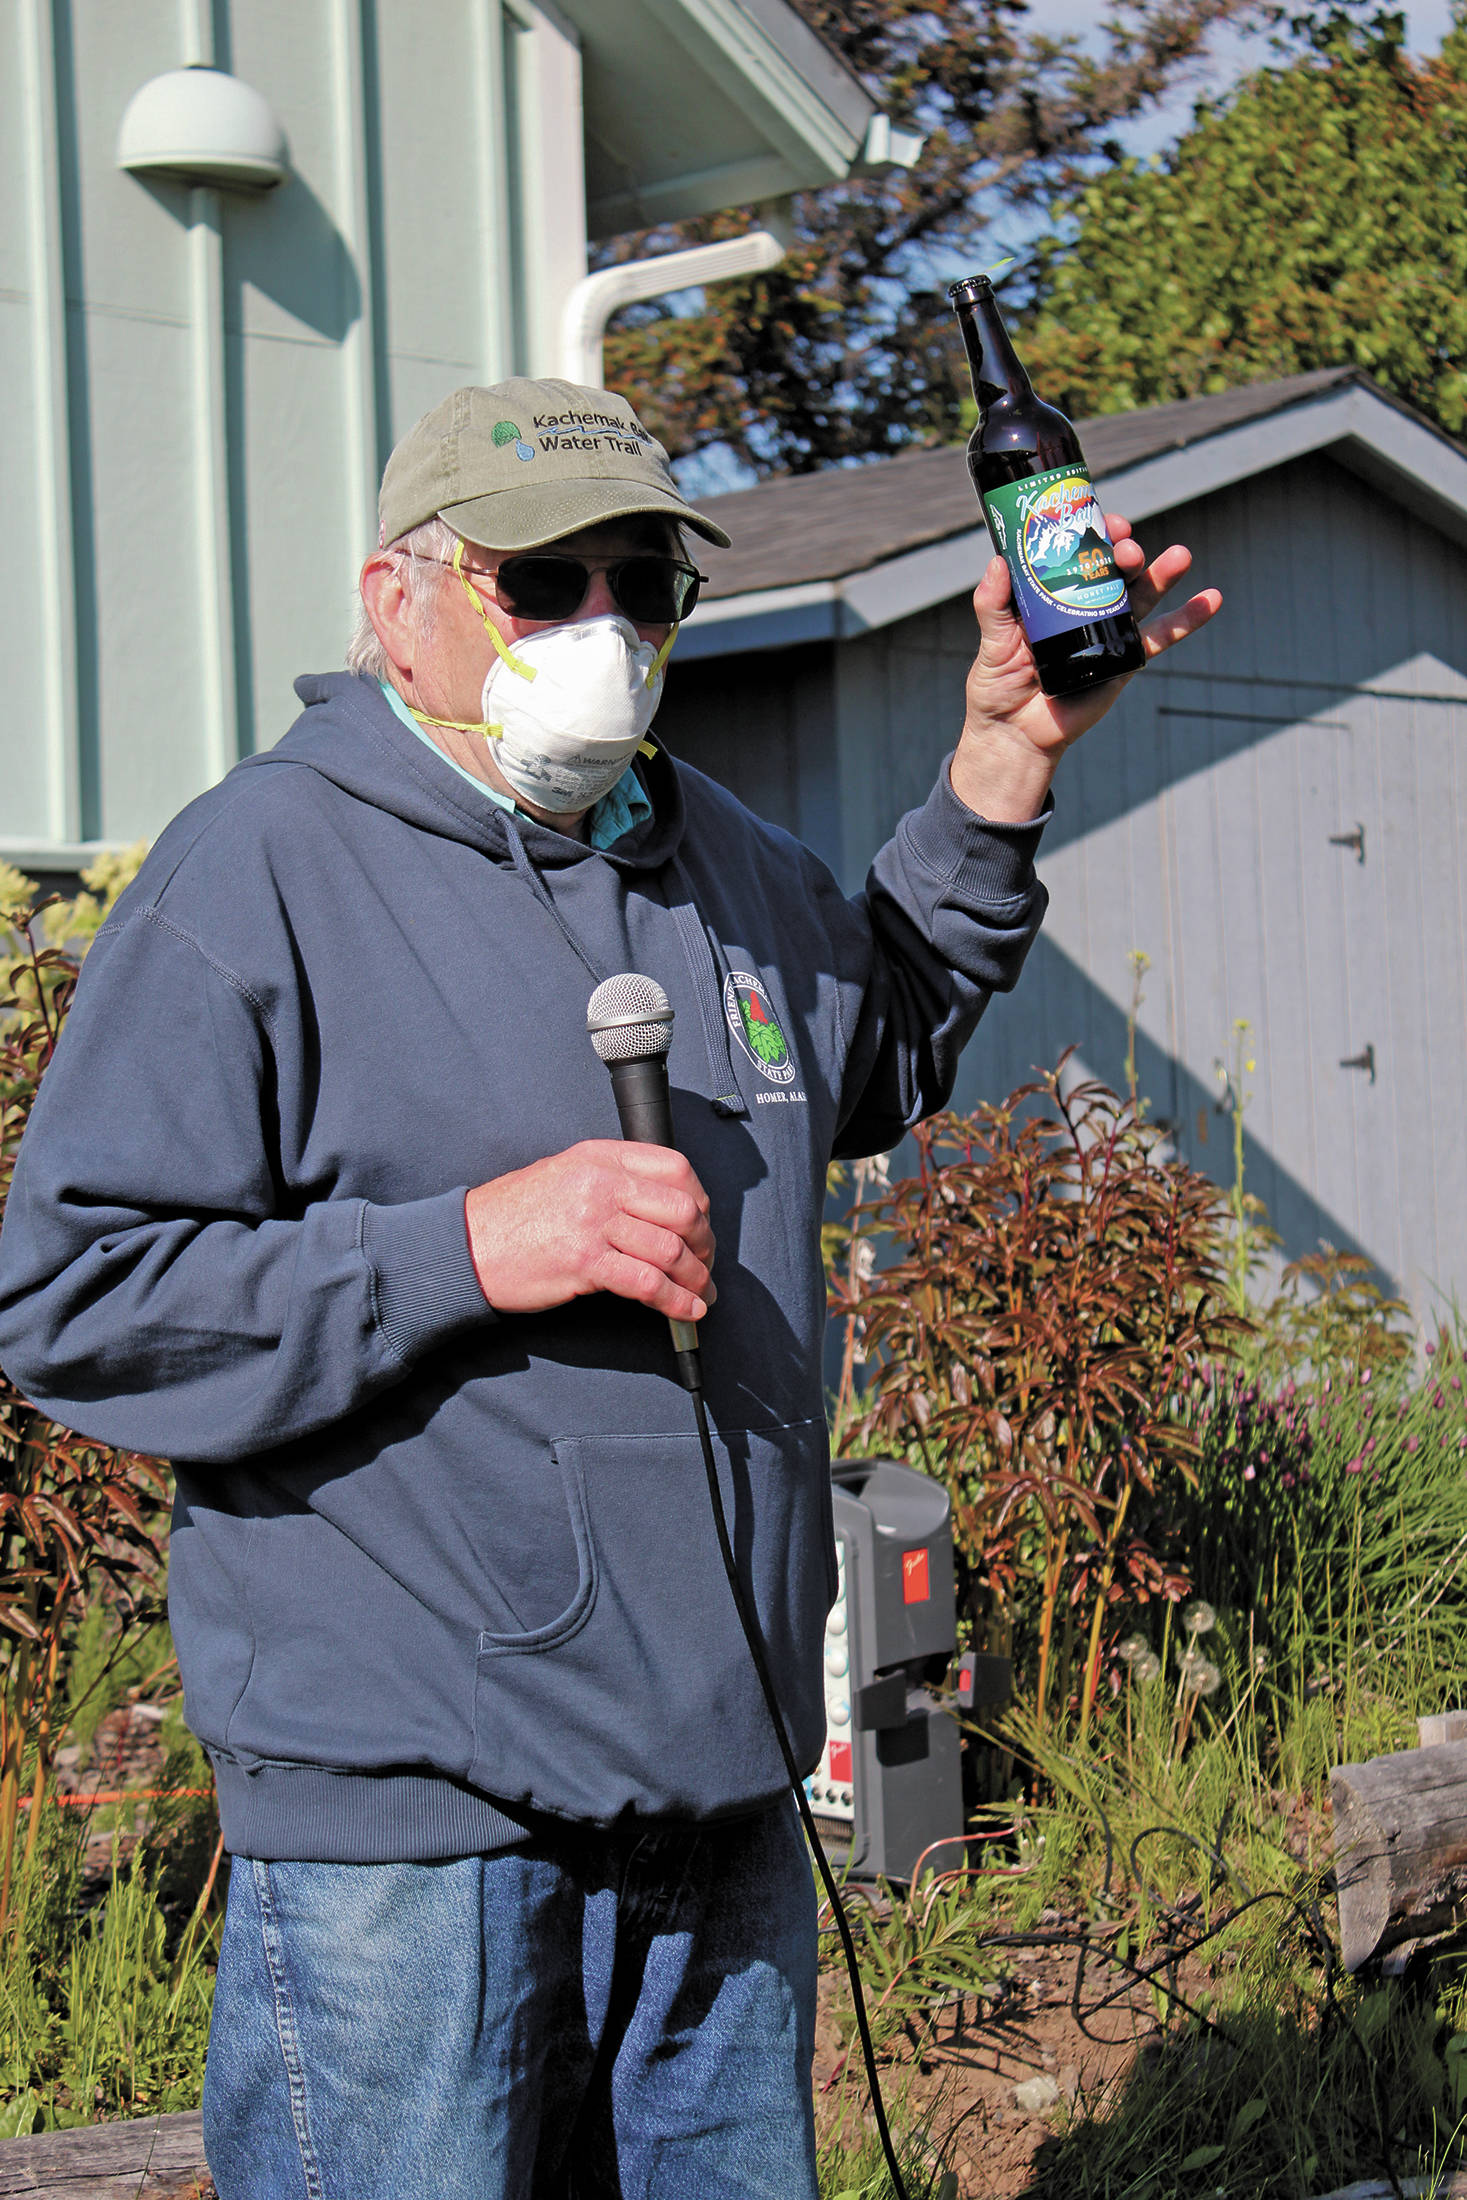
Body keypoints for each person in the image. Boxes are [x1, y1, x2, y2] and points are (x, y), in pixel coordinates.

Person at [0, 377, 1219, 2198]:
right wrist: (466, 1249)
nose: (603, 628)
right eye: (543, 578)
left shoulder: (717, 853)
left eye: (644, 584)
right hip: (414, 1821)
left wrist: (1006, 760)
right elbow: (80, 1299)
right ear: (396, 595)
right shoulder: (259, 868)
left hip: (721, 1784)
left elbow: (872, 1045)